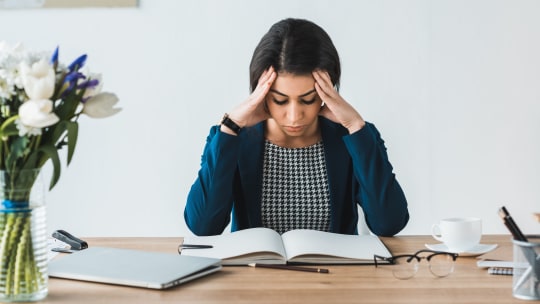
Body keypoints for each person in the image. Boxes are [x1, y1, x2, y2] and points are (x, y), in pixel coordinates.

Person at [184, 18, 409, 237]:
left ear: (327, 91)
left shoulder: (352, 137)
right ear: (260, 93)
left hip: (336, 274)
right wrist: (230, 128)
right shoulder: (232, 138)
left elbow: (388, 223)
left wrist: (356, 126)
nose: (294, 116)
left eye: (308, 99)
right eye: (280, 100)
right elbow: (203, 227)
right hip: (257, 273)